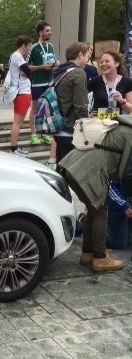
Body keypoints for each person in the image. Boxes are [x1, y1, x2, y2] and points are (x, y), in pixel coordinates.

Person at [58, 115, 128, 271]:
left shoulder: (121, 127)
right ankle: (100, 257)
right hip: (87, 171)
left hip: (73, 166)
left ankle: (88, 254)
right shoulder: (129, 134)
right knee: (100, 211)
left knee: (93, 210)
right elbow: (127, 173)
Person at [53, 42, 89, 163]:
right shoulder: (78, 73)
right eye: (87, 56)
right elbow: (80, 106)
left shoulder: (60, 71)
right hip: (71, 128)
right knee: (71, 167)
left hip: (58, 127)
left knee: (61, 163)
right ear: (80, 55)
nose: (87, 60)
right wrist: (86, 122)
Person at [28, 22, 59, 146]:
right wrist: (41, 67)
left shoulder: (50, 46)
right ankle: (33, 134)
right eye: (47, 31)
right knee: (35, 109)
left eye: (50, 31)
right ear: (40, 32)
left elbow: (53, 60)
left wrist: (56, 63)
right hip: (37, 84)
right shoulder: (33, 48)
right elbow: (26, 67)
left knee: (49, 109)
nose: (49, 33)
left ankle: (46, 133)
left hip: (50, 83)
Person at [8, 35, 33, 157]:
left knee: (18, 122)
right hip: (22, 92)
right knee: (17, 122)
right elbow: (29, 71)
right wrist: (26, 72)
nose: (30, 48)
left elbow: (25, 71)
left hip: (22, 92)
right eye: (29, 46)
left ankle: (14, 148)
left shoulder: (16, 56)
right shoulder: (17, 56)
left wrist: (25, 72)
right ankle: (13, 149)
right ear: (24, 45)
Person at [88, 51, 132, 117]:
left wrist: (122, 101)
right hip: (99, 122)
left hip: (118, 122)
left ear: (117, 64)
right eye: (101, 62)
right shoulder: (94, 82)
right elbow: (85, 102)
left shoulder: (127, 82)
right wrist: (88, 114)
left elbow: (130, 111)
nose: (103, 64)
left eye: (107, 61)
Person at [106, 179, 132, 249]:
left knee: (128, 242)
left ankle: (106, 226)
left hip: (128, 204)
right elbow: (110, 189)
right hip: (117, 207)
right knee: (119, 244)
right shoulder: (114, 174)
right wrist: (125, 206)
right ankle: (87, 225)